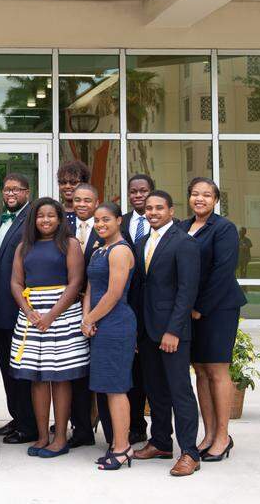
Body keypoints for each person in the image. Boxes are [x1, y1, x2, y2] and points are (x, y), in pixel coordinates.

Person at [10, 197, 88, 458]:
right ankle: (43, 435)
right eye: (41, 216)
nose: (45, 220)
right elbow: (16, 283)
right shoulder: (24, 246)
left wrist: (52, 315)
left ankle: (61, 437)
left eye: (51, 216)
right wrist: (29, 311)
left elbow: (76, 282)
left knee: (59, 377)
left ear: (59, 218)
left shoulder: (70, 244)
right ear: (34, 219)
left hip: (61, 314)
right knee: (37, 378)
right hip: (31, 316)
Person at [131, 190, 202, 477]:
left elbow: (187, 291)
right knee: (155, 391)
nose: (153, 212)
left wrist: (173, 330)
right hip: (147, 331)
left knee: (179, 392)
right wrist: (137, 333)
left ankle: (189, 452)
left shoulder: (184, 243)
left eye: (159, 208)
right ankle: (160, 442)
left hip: (172, 332)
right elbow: (139, 289)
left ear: (171, 211)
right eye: (149, 208)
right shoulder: (141, 243)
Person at [181, 177, 246, 462]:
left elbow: (223, 270)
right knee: (201, 372)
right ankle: (207, 434)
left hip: (218, 309)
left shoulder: (224, 228)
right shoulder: (183, 227)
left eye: (206, 195)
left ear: (216, 200)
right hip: (190, 310)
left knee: (217, 371)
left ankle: (223, 437)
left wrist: (200, 308)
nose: (200, 199)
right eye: (195, 194)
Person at [81, 202, 137, 471]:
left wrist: (91, 318)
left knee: (116, 388)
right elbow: (90, 288)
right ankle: (116, 442)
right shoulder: (97, 251)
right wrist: (86, 318)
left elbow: (114, 293)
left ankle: (123, 447)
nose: (100, 225)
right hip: (98, 324)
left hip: (116, 324)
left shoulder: (120, 251)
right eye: (97, 221)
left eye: (106, 220)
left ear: (119, 221)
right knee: (105, 387)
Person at [0, 173, 37, 445]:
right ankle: (17, 417)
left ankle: (28, 425)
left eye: (16, 190)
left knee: (21, 369)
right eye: (6, 189)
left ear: (27, 192)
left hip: (21, 307)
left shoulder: (33, 220)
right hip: (0, 309)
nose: (10, 194)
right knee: (7, 369)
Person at [119, 172, 155, 444]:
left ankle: (158, 431)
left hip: (152, 309)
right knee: (128, 369)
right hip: (122, 306)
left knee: (148, 370)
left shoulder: (167, 224)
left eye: (143, 190)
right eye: (134, 191)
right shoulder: (120, 223)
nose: (138, 195)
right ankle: (133, 424)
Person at [66, 183, 102, 449]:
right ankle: (79, 426)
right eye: (77, 200)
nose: (81, 204)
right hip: (68, 310)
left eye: (87, 200)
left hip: (99, 309)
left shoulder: (107, 227)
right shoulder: (63, 226)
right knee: (75, 371)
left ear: (96, 202)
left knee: (96, 371)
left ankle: (95, 420)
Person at [57, 160, 91, 234]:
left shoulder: (94, 214)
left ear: (84, 184)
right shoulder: (55, 212)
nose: (67, 186)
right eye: (63, 182)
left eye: (73, 182)